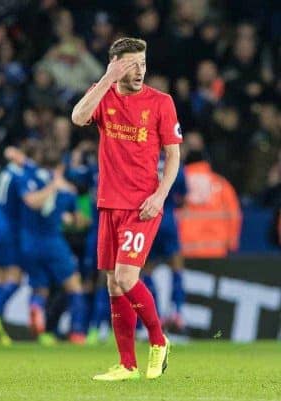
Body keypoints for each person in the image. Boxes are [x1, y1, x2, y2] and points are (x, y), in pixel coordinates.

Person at [72, 37, 182, 380]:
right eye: (131, 65)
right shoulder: (103, 94)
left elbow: (173, 155)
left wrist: (160, 196)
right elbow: (78, 118)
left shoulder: (161, 102)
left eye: (143, 64)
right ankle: (127, 365)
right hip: (108, 203)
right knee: (113, 285)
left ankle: (159, 341)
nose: (139, 71)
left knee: (125, 277)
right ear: (115, 66)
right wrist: (106, 80)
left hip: (142, 205)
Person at [17, 143, 87, 346]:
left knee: (40, 288)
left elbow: (30, 203)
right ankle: (77, 333)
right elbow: (80, 220)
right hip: (52, 241)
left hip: (29, 242)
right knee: (75, 287)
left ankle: (37, 312)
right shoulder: (66, 189)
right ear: (61, 167)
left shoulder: (29, 178)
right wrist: (71, 218)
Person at [0, 139, 42, 346]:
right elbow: (30, 200)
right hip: (8, 229)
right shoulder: (19, 174)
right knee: (15, 279)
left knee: (1, 279)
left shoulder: (6, 171)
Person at [143, 160, 187, 332]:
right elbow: (182, 197)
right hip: (168, 219)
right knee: (177, 266)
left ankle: (155, 316)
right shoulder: (175, 163)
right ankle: (178, 312)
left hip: (149, 219)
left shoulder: (145, 160)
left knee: (146, 270)